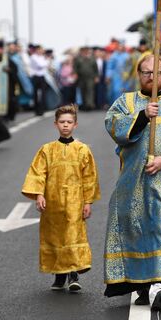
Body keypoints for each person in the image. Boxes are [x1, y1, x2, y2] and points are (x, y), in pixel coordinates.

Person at [103, 53, 161, 310]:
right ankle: (142, 286)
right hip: (132, 183)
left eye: (157, 73)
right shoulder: (126, 102)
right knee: (136, 231)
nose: (152, 77)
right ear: (139, 75)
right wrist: (143, 115)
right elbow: (113, 126)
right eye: (146, 73)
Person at [21, 104, 100, 291]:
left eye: (69, 122)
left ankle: (73, 275)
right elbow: (38, 173)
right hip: (53, 202)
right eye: (62, 122)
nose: (66, 125)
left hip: (75, 202)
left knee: (72, 235)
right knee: (55, 237)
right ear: (55, 124)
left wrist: (88, 202)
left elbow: (90, 178)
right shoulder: (47, 150)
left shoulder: (82, 150)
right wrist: (39, 195)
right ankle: (59, 275)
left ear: (75, 125)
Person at [74, 46, 99, 111]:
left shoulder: (92, 58)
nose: (85, 52)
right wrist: (75, 74)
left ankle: (90, 105)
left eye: (87, 51)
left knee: (90, 91)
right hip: (81, 78)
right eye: (84, 51)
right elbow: (75, 68)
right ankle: (84, 105)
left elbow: (96, 69)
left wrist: (96, 77)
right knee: (83, 91)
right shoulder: (78, 58)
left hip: (90, 78)